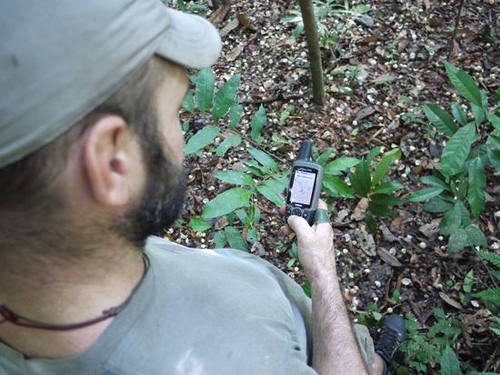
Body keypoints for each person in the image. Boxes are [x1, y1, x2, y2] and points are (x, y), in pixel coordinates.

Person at [0, 1, 405, 374]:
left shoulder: (78, 252)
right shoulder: (240, 359)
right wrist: (322, 274)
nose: (183, 135)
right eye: (175, 111)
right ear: (111, 163)